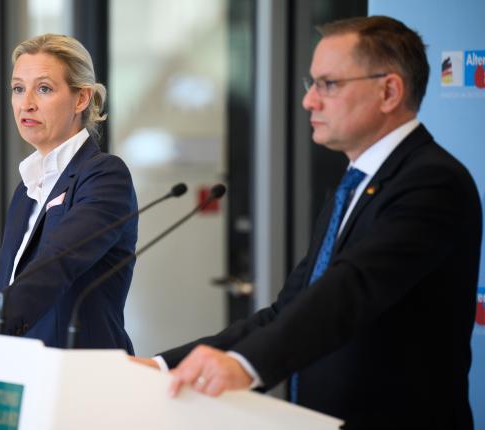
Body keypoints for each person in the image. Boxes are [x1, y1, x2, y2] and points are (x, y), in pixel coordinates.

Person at [133, 16, 482, 429]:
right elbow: (289, 310)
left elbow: (352, 288)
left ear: (389, 91)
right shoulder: (356, 183)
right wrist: (161, 365)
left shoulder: (430, 181)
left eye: (328, 84)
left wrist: (244, 365)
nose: (309, 101)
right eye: (311, 84)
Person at [0, 34, 137, 352]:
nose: (26, 103)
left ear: (81, 99)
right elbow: (14, 289)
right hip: (26, 372)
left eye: (44, 88)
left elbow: (56, 265)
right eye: (18, 88)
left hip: (82, 375)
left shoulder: (104, 176)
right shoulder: (26, 189)